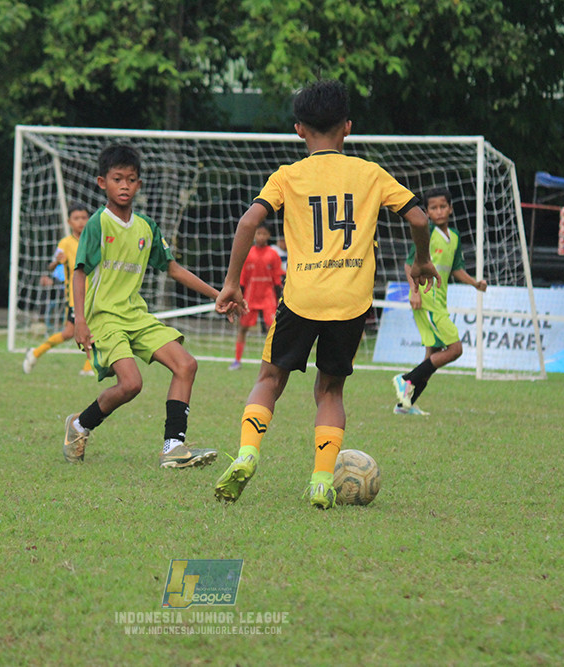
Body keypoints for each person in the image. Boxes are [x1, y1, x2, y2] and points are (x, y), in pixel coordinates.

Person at [213, 80, 438, 509]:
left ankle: (246, 454)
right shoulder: (370, 173)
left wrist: (230, 283)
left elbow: (247, 223)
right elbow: (419, 218)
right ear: (348, 127)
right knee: (330, 391)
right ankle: (320, 481)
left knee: (269, 380)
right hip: (351, 304)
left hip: (301, 299)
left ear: (299, 129)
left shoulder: (288, 176)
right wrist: (421, 261)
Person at [63, 144, 238, 468]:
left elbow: (172, 268)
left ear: (139, 184)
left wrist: (218, 294)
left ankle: (174, 446)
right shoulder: (97, 224)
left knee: (186, 365)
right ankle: (79, 425)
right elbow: (79, 272)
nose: (125, 185)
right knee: (131, 385)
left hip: (135, 314)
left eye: (131, 179)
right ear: (103, 183)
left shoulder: (146, 227)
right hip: (104, 318)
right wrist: (80, 321)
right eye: (118, 179)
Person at [391, 188, 487, 416]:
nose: (439, 211)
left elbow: (456, 269)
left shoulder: (453, 236)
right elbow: (408, 265)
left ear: (451, 208)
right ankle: (406, 379)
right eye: (433, 208)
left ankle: (405, 405)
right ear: (426, 212)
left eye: (443, 206)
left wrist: (475, 284)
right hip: (426, 299)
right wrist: (414, 292)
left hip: (440, 300)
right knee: (455, 349)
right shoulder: (426, 233)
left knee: (431, 355)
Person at [23, 203, 94, 376]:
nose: (81, 222)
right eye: (76, 218)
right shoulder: (66, 243)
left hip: (92, 294)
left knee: (72, 332)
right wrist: (57, 261)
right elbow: (51, 265)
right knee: (84, 331)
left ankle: (35, 353)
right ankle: (88, 367)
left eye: (84, 218)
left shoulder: (92, 241)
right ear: (69, 221)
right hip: (75, 298)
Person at [229, 221, 283, 370]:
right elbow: (242, 280)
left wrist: (280, 298)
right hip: (250, 297)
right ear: (254, 235)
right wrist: (237, 298)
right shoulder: (248, 253)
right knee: (243, 328)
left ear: (269, 235)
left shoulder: (273, 254)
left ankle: (272, 362)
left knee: (272, 329)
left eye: (264, 233)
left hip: (268, 297)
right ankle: (237, 360)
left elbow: (277, 280)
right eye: (258, 233)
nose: (261, 236)